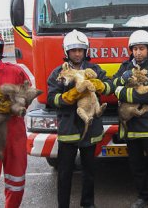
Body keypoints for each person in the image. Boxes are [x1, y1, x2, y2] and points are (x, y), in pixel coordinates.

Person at [47, 29, 112, 208]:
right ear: (66, 52)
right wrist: (71, 95)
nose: (77, 53)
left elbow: (109, 87)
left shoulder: (95, 69)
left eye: (80, 50)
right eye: (73, 50)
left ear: (86, 51)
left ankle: (88, 204)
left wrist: (100, 85)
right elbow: (52, 99)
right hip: (68, 129)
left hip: (90, 127)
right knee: (65, 173)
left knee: (89, 171)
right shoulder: (57, 73)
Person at [112, 30, 148, 208]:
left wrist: (122, 92)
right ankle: (143, 196)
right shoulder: (125, 67)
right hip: (131, 126)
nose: (138, 52)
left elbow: (144, 97)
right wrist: (121, 79)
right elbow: (113, 83)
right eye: (135, 49)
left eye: (142, 49)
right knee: (136, 166)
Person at [0, 30, 31, 208]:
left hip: (15, 135)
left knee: (16, 182)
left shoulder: (15, 71)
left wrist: (18, 103)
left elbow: (28, 93)